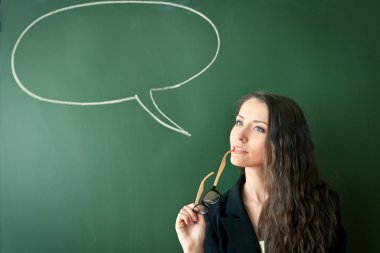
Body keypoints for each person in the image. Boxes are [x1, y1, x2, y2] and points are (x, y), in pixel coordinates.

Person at [175, 92, 347, 253]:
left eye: (258, 128)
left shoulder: (322, 204)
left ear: (283, 142)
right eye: (239, 122)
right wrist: (193, 248)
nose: (240, 136)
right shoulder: (212, 216)